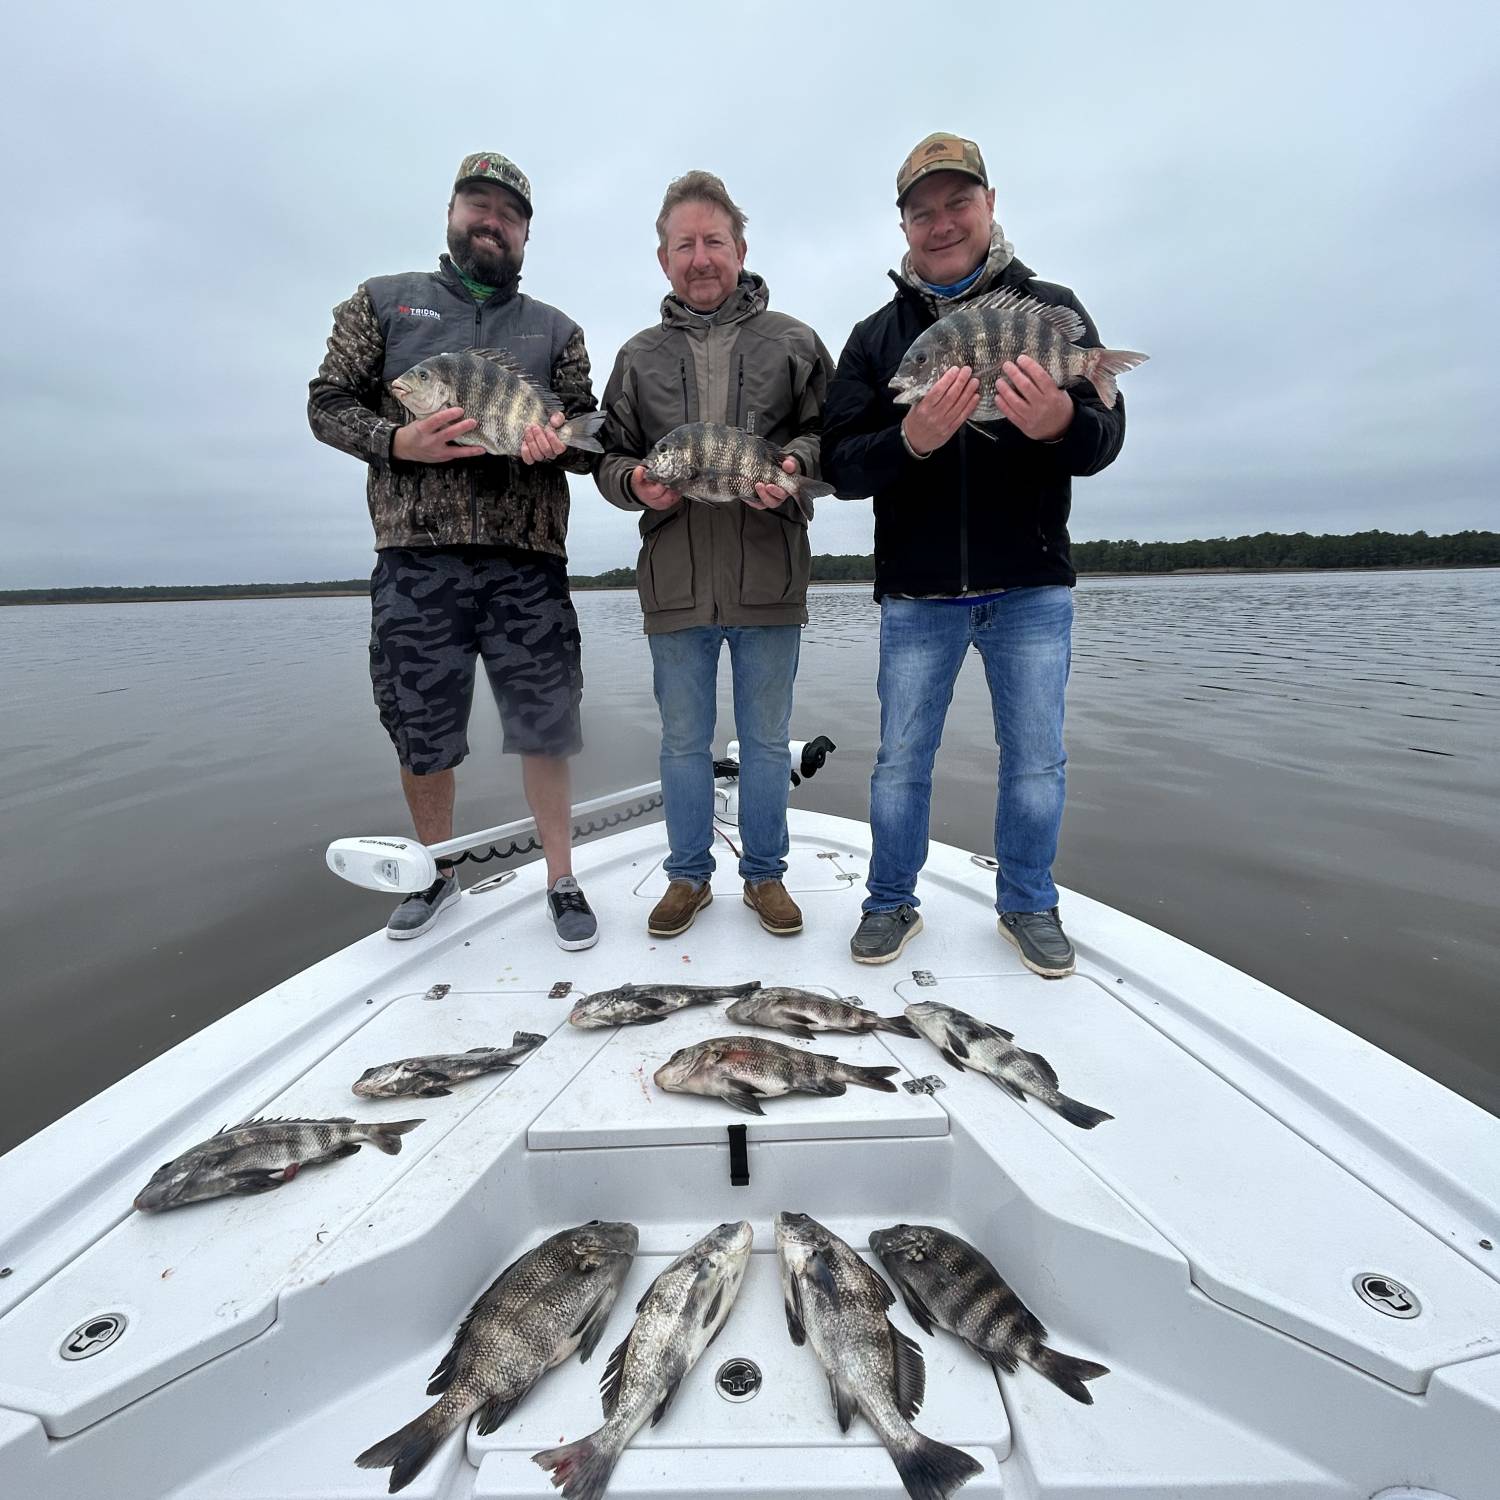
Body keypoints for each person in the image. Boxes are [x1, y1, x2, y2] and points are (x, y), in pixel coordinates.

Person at [822, 133, 1133, 977]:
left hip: (1031, 587)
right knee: (898, 765)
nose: (942, 222)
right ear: (903, 225)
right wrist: (910, 441)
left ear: (989, 204)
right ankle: (890, 902)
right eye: (923, 211)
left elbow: (1105, 434)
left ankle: (1029, 903)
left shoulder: (1050, 305)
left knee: (1035, 763)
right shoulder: (878, 337)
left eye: (958, 202)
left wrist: (1061, 424)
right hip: (918, 596)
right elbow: (841, 461)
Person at [308, 152, 601, 949]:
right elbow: (326, 404)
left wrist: (558, 447)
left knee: (548, 727)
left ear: (526, 234)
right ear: (452, 210)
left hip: (528, 561)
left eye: (509, 214)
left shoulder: (557, 330)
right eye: (479, 204)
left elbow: (587, 436)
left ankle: (562, 878)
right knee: (422, 730)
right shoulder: (382, 304)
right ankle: (438, 875)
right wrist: (396, 440)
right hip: (416, 560)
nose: (491, 221)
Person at [595, 171, 834, 939]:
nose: (701, 258)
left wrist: (793, 469)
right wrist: (635, 483)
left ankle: (765, 876)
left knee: (766, 744)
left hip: (770, 578)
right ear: (663, 259)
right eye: (684, 245)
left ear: (741, 248)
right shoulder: (635, 357)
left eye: (715, 242)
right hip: (675, 587)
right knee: (682, 744)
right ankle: (688, 878)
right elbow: (608, 459)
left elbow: (833, 438)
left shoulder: (794, 341)